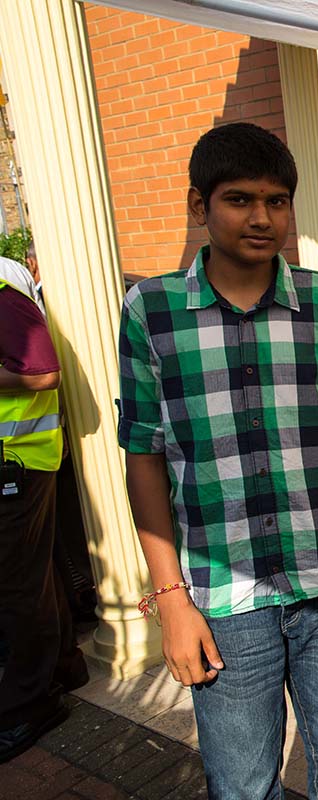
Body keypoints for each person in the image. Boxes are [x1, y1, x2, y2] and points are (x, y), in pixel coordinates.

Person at [117, 123, 318, 798]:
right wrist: (170, 599)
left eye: (277, 202)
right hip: (223, 598)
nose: (262, 217)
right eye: (240, 200)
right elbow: (143, 452)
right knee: (243, 779)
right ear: (200, 208)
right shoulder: (151, 312)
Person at [0, 251, 84, 762]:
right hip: (22, 459)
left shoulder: (2, 289)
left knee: (15, 587)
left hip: (17, 461)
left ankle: (29, 705)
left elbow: (41, 372)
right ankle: (64, 669)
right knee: (37, 577)